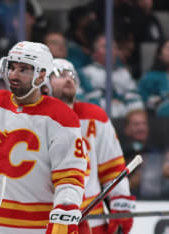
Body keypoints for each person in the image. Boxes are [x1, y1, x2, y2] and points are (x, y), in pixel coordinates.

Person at [0, 41, 87, 233]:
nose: (14, 75)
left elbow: (70, 175)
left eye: (24, 70)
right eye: (12, 68)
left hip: (34, 228)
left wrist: (65, 208)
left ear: (41, 75)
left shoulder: (61, 117)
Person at [48, 58, 135, 234]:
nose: (68, 78)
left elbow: (113, 169)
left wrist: (120, 208)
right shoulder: (35, 121)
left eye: (71, 74)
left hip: (93, 222)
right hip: (47, 220)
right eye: (59, 74)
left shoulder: (95, 117)